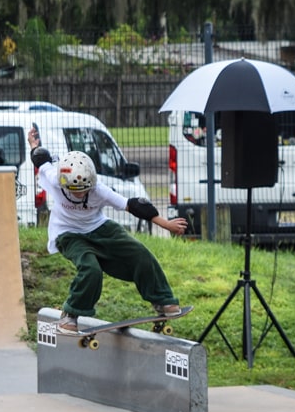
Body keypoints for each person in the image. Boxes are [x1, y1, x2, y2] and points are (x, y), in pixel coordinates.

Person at [28, 125, 189, 335]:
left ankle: (162, 301)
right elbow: (41, 159)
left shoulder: (98, 189)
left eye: (83, 191)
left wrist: (166, 224)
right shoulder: (55, 179)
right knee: (90, 269)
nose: (79, 195)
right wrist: (34, 145)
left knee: (140, 253)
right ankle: (70, 315)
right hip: (67, 234)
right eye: (74, 192)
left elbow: (134, 205)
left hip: (99, 227)